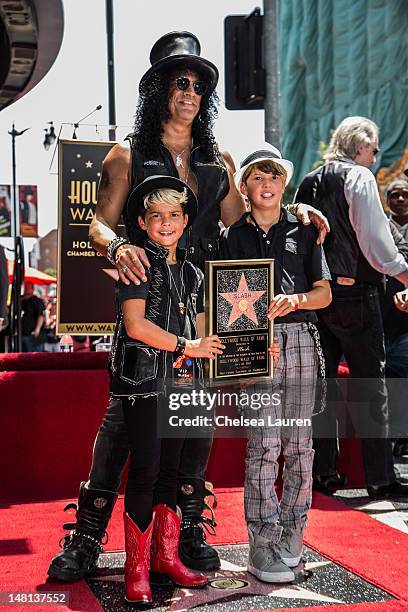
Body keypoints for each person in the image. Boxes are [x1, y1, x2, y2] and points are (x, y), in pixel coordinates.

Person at [48, 31, 329, 582]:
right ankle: (86, 534)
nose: (190, 92)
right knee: (124, 421)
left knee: (195, 421)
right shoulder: (128, 152)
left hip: (204, 306)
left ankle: (188, 527)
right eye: (180, 81)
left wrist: (295, 207)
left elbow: (246, 214)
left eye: (199, 85)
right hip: (147, 300)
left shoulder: (217, 158)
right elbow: (98, 221)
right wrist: (120, 244)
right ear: (157, 88)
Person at [111, 175, 226, 602]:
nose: (165, 222)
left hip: (183, 382)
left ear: (185, 220)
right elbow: (137, 326)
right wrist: (187, 345)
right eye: (155, 215)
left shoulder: (193, 272)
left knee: (173, 473)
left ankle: (164, 557)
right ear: (141, 222)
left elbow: (200, 330)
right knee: (145, 470)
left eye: (173, 215)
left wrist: (240, 348)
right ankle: (135, 570)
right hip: (142, 380)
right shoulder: (136, 262)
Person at [220, 145, 332, 583]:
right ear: (244, 186)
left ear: (283, 183)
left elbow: (324, 294)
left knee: (301, 444)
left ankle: (293, 530)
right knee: (263, 444)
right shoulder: (232, 236)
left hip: (302, 338)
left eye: (274, 177)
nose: (266, 185)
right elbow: (223, 300)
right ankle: (260, 541)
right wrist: (243, 348)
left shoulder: (305, 230)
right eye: (257, 178)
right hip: (255, 345)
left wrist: (297, 299)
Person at [296, 116, 408, 499]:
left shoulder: (309, 180)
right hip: (357, 294)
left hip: (319, 296)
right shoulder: (358, 178)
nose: (375, 158)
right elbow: (375, 242)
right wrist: (404, 275)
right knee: (369, 387)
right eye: (374, 150)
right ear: (360, 146)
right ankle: (379, 477)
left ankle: (323, 473)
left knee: (322, 389)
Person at [383, 179, 408, 457]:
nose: (400, 199)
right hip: (381, 317)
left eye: (405, 194)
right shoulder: (379, 227)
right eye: (395, 195)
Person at [21, 281, 45, 352]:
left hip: (33, 335)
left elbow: (41, 315)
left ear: (33, 289)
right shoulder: (20, 300)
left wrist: (37, 329)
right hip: (22, 334)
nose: (26, 289)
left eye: (28, 287)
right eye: (25, 287)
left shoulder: (37, 301)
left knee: (34, 356)